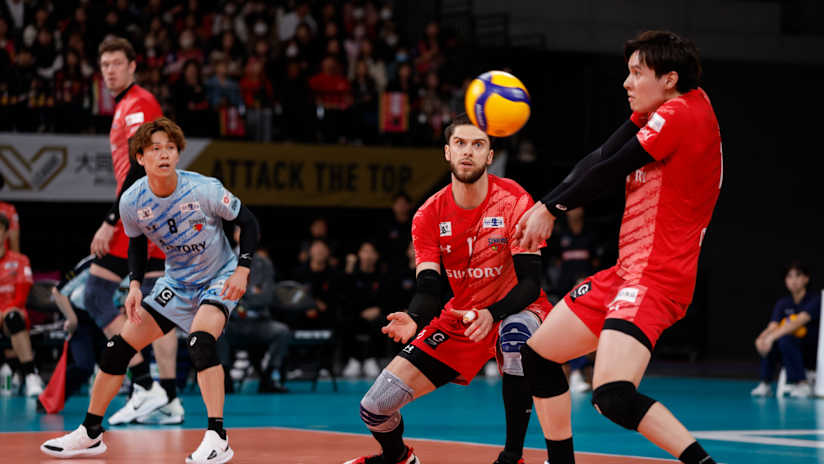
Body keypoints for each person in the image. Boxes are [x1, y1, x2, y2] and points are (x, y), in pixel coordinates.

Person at [513, 30, 721, 464]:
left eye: (636, 73)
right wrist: (543, 204)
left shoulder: (683, 111)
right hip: (627, 272)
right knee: (537, 356)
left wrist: (550, 208)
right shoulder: (660, 110)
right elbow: (598, 157)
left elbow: (612, 169)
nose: (626, 83)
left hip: (656, 278)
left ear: (669, 78)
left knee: (612, 396)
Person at [41, 117, 260, 463]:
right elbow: (137, 245)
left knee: (201, 341)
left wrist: (244, 269)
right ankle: (91, 433)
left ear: (177, 154)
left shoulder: (204, 189)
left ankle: (218, 437)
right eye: (155, 149)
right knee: (117, 348)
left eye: (170, 148)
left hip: (218, 276)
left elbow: (248, 223)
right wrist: (135, 285)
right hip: (176, 282)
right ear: (141, 158)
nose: (164, 155)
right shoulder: (132, 201)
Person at [344, 114, 553, 464]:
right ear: (447, 152)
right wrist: (414, 318)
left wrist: (494, 313)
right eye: (460, 143)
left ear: (489, 156)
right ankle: (398, 457)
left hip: (515, 310)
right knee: (374, 407)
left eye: (478, 144)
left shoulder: (515, 200)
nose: (467, 152)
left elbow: (531, 284)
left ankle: (512, 455)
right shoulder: (428, 214)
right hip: (463, 319)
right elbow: (428, 285)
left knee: (516, 337)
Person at [86, 36, 182, 426]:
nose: (109, 70)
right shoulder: (125, 105)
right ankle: (167, 397)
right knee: (155, 305)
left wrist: (111, 220)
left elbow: (139, 167)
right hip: (146, 214)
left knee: (96, 294)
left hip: (142, 215)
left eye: (116, 63)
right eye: (104, 63)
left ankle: (145, 385)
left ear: (132, 66)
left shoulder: (138, 103)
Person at [752, 261, 820, 398]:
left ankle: (802, 384)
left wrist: (772, 337)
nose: (793, 280)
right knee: (774, 340)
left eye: (798, 276)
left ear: (806, 278)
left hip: (811, 349)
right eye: (789, 276)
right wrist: (761, 338)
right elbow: (773, 326)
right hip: (788, 350)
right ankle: (765, 383)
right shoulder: (783, 303)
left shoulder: (816, 299)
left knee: (784, 338)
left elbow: (798, 322)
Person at [0, 213, 43, 397]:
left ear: (6, 233)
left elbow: (21, 296)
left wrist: (3, 313)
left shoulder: (20, 261)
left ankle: (31, 375)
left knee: (13, 318)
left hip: (13, 315)